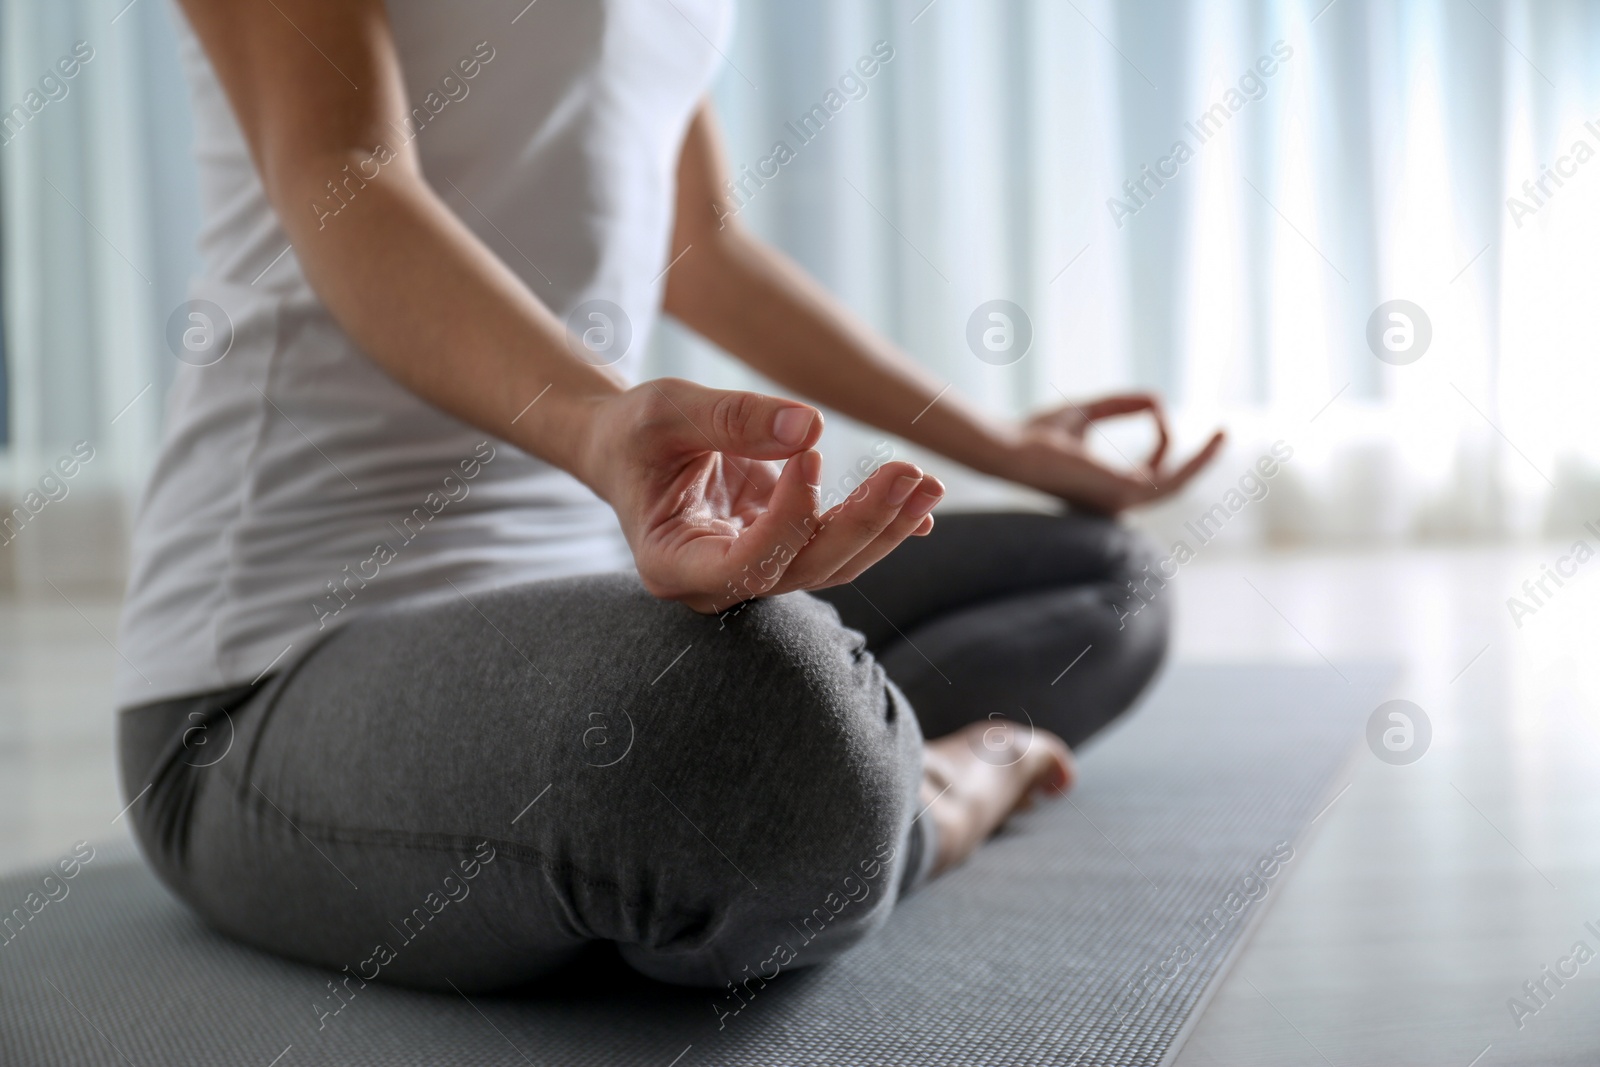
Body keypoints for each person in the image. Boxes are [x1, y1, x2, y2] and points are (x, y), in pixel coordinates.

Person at [116, 0, 1223, 992]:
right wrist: (601, 427)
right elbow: (348, 172)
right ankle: (923, 795)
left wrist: (1004, 447)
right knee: (754, 729)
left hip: (586, 587)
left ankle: (823, 771)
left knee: (1101, 582)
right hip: (274, 669)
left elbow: (701, 249)